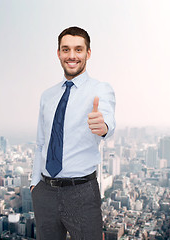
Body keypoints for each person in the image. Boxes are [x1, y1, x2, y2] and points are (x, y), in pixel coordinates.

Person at [30, 26, 115, 240]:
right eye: (66, 49)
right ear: (58, 53)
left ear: (88, 53)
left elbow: (108, 121)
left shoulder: (100, 89)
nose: (72, 56)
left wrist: (102, 126)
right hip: (45, 191)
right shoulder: (47, 96)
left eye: (78, 49)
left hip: (81, 192)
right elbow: (41, 143)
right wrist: (34, 184)